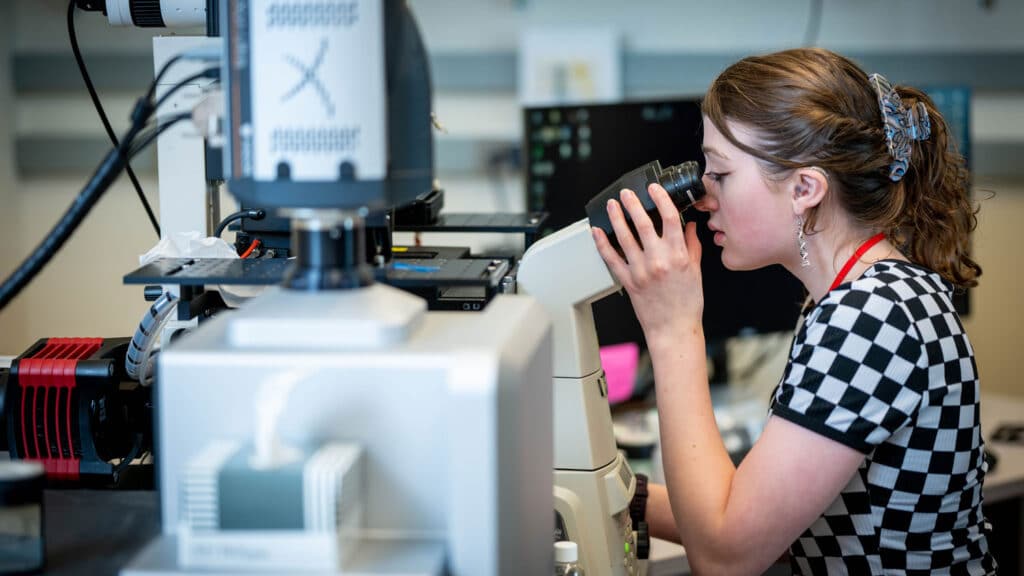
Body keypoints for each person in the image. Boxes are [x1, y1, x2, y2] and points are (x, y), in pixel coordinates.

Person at [592, 48, 997, 575]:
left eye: (721, 173)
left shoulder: (869, 317)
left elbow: (724, 558)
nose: (704, 197)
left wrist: (673, 328)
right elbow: (779, 525)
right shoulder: (868, 296)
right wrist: (626, 498)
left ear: (805, 188)